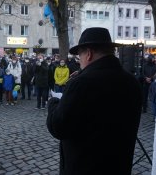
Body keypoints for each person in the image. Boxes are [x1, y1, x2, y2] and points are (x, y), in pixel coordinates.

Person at [47, 27, 142, 174]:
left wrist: (53, 102)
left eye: (80, 57)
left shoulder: (81, 83)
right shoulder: (132, 81)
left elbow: (58, 126)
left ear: (89, 54)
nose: (79, 62)